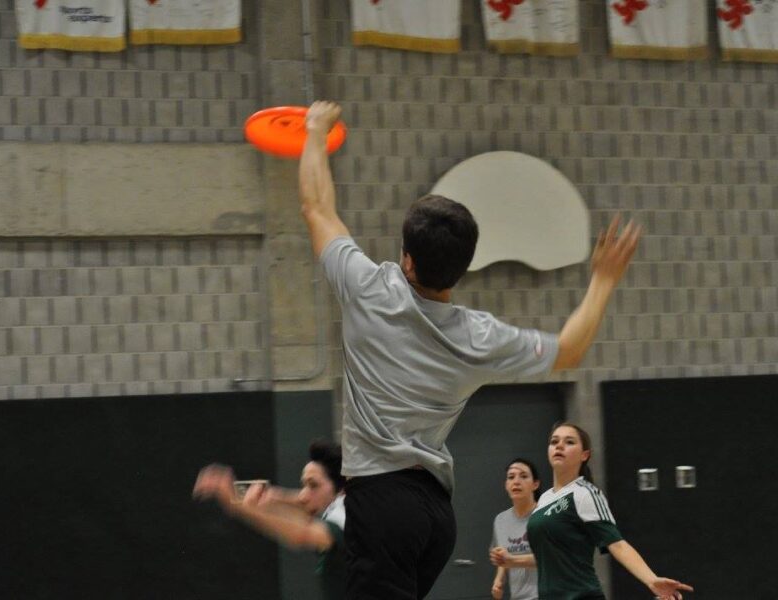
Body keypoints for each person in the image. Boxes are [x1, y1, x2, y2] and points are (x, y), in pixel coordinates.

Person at [300, 100, 640, 599]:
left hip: (382, 502)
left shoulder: (367, 288)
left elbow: (316, 207)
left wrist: (314, 131)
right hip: (436, 514)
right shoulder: (478, 336)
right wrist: (604, 281)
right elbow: (569, 350)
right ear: (461, 268)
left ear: (407, 260)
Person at [490, 423, 693, 600]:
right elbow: (551, 557)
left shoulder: (585, 493)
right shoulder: (544, 499)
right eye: (554, 441)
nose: (559, 445)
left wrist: (651, 580)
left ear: (584, 455)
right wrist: (512, 561)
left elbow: (617, 544)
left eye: (569, 442)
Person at [193, 441, 347, 600]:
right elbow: (308, 505)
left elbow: (301, 534)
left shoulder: (343, 518)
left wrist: (237, 507)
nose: (303, 495)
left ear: (343, 488)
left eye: (313, 485)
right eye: (304, 485)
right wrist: (274, 496)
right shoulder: (348, 506)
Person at [490, 458, 541, 600]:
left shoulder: (545, 515)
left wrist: (512, 560)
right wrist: (499, 579)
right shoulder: (501, 520)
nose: (516, 481)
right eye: (511, 477)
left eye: (523, 476)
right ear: (506, 485)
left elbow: (551, 559)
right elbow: (504, 557)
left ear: (535, 484)